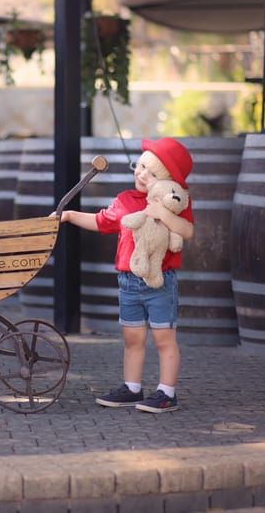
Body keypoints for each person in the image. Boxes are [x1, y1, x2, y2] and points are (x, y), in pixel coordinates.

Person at [58, 137, 194, 413]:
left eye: (152, 173)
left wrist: (162, 214)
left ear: (167, 180)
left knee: (163, 338)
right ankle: (132, 388)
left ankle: (167, 393)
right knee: (133, 338)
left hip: (160, 281)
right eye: (141, 166)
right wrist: (71, 215)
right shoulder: (124, 200)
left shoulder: (174, 203)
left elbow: (187, 231)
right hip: (128, 282)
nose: (142, 174)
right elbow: (100, 221)